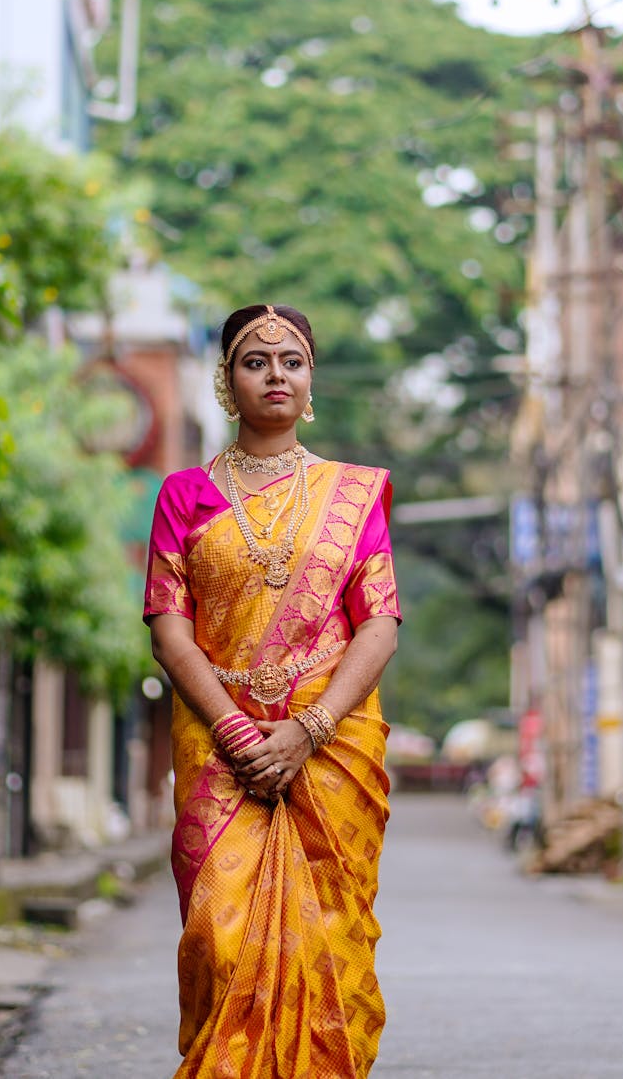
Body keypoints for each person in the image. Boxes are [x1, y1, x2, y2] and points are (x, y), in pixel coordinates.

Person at [144, 303, 401, 1078]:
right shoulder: (185, 494)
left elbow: (379, 621)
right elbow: (168, 625)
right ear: (228, 381)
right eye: (255, 361)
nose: (275, 374)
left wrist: (309, 729)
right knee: (221, 939)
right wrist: (236, 732)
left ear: (311, 376)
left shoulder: (350, 493)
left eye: (290, 360)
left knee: (328, 935)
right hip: (221, 753)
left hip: (328, 756)